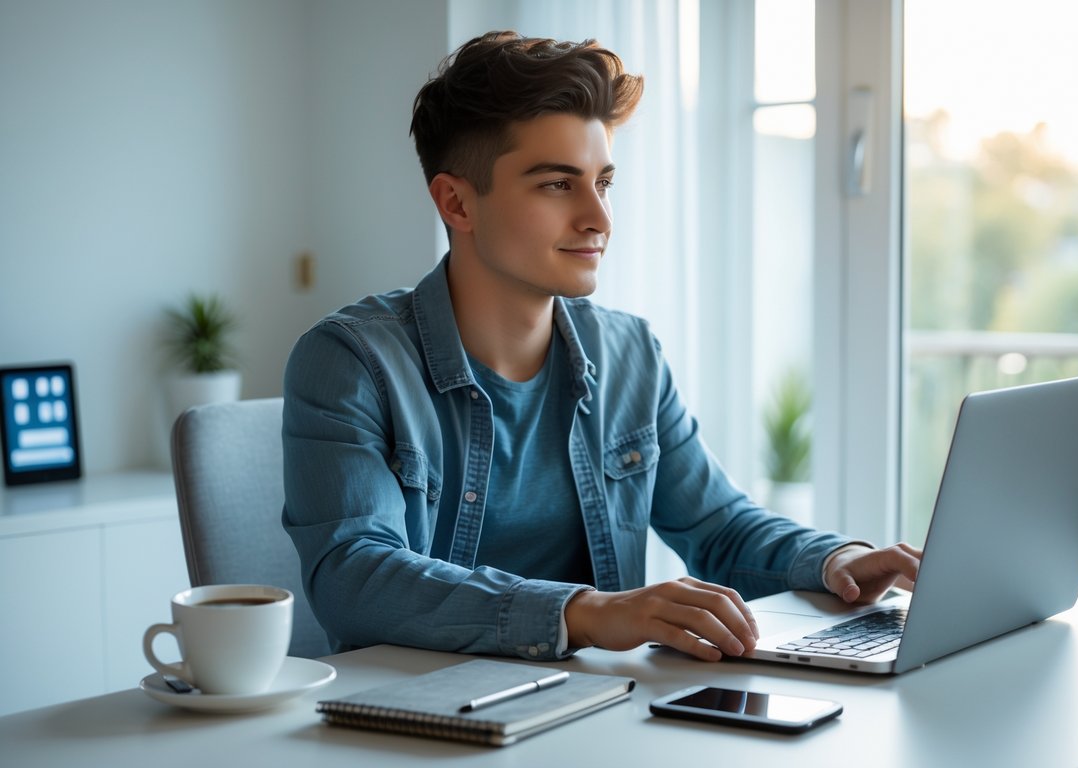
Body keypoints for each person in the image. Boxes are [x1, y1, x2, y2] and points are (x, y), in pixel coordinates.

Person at [282, 30, 921, 663]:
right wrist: (585, 614)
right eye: (558, 185)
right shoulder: (351, 362)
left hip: (598, 710)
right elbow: (354, 578)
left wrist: (837, 561)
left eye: (603, 183)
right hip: (415, 724)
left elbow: (718, 528)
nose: (599, 219)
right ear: (457, 202)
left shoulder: (629, 351)